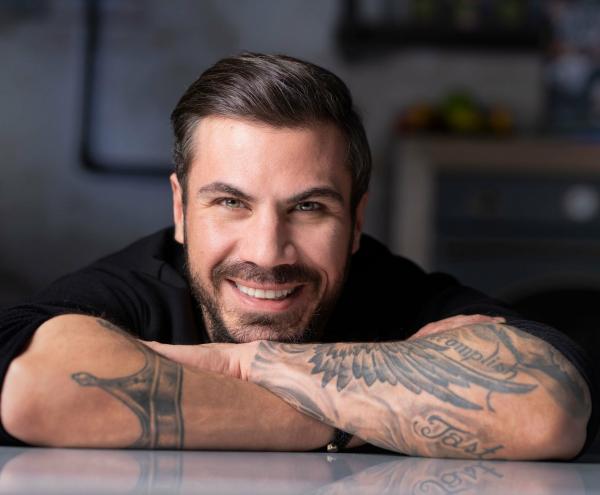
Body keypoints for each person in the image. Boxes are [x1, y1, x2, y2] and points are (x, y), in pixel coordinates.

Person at [0, 53, 597, 459]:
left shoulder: (393, 290)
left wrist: (239, 365)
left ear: (356, 221)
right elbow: (37, 393)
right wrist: (361, 411)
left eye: (309, 208)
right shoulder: (136, 285)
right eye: (231, 202)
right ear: (180, 209)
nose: (268, 253)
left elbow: (545, 409)